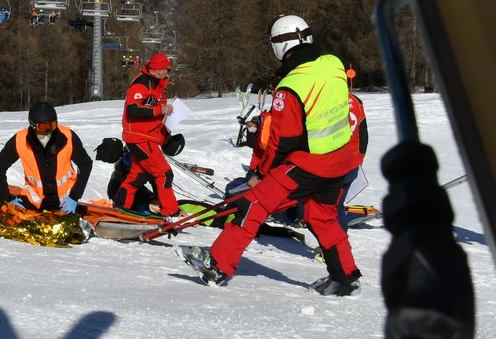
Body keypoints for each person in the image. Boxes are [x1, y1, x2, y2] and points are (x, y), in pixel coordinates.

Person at [180, 15, 368, 295]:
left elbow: (284, 140)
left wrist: (261, 174)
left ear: (280, 44)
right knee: (323, 216)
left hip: (308, 162)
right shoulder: (334, 64)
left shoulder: (291, 86)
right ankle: (344, 277)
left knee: (252, 205)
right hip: (339, 161)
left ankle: (216, 264)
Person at [0, 101, 94, 213]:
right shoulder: (20, 140)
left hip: (64, 201)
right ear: (33, 126)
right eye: (43, 127)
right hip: (34, 202)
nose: (48, 131)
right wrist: (6, 199)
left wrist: (74, 197)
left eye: (52, 125)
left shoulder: (68, 137)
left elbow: (86, 164)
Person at [119, 50, 179, 217]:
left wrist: (166, 135)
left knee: (138, 176)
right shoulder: (142, 83)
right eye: (167, 69)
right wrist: (161, 109)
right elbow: (133, 109)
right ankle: (170, 212)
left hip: (149, 137)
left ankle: (120, 206)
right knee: (164, 174)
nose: (168, 73)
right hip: (138, 137)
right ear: (158, 70)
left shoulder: (157, 84)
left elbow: (154, 114)